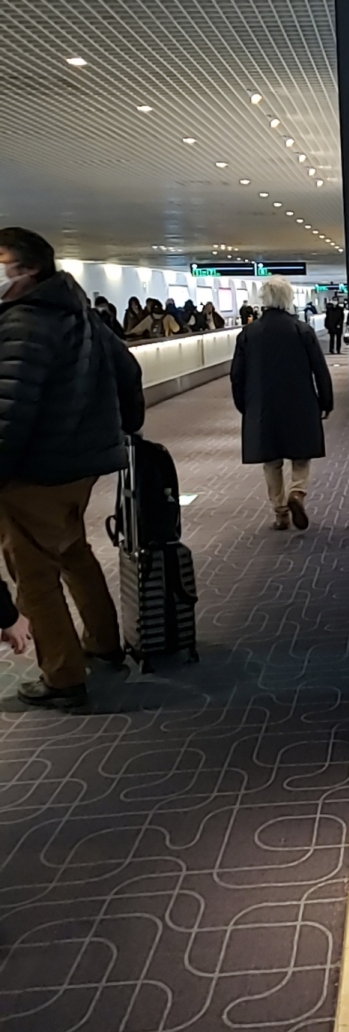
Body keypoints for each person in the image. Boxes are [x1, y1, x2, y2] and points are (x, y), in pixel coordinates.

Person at [0, 227, 145, 710]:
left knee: (33, 573)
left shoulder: (23, 322)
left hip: (35, 469)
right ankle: (102, 643)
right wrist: (125, 428)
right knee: (72, 552)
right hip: (79, 465)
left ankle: (62, 675)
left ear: (27, 269)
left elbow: (10, 408)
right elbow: (128, 371)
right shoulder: (79, 312)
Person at [230, 274, 333, 531]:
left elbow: (237, 375)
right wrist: (325, 401)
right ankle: (297, 492)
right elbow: (319, 369)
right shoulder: (302, 330)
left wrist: (244, 405)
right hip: (300, 401)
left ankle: (280, 512)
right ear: (288, 298)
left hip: (263, 404)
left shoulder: (249, 333)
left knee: (271, 460)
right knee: (301, 454)